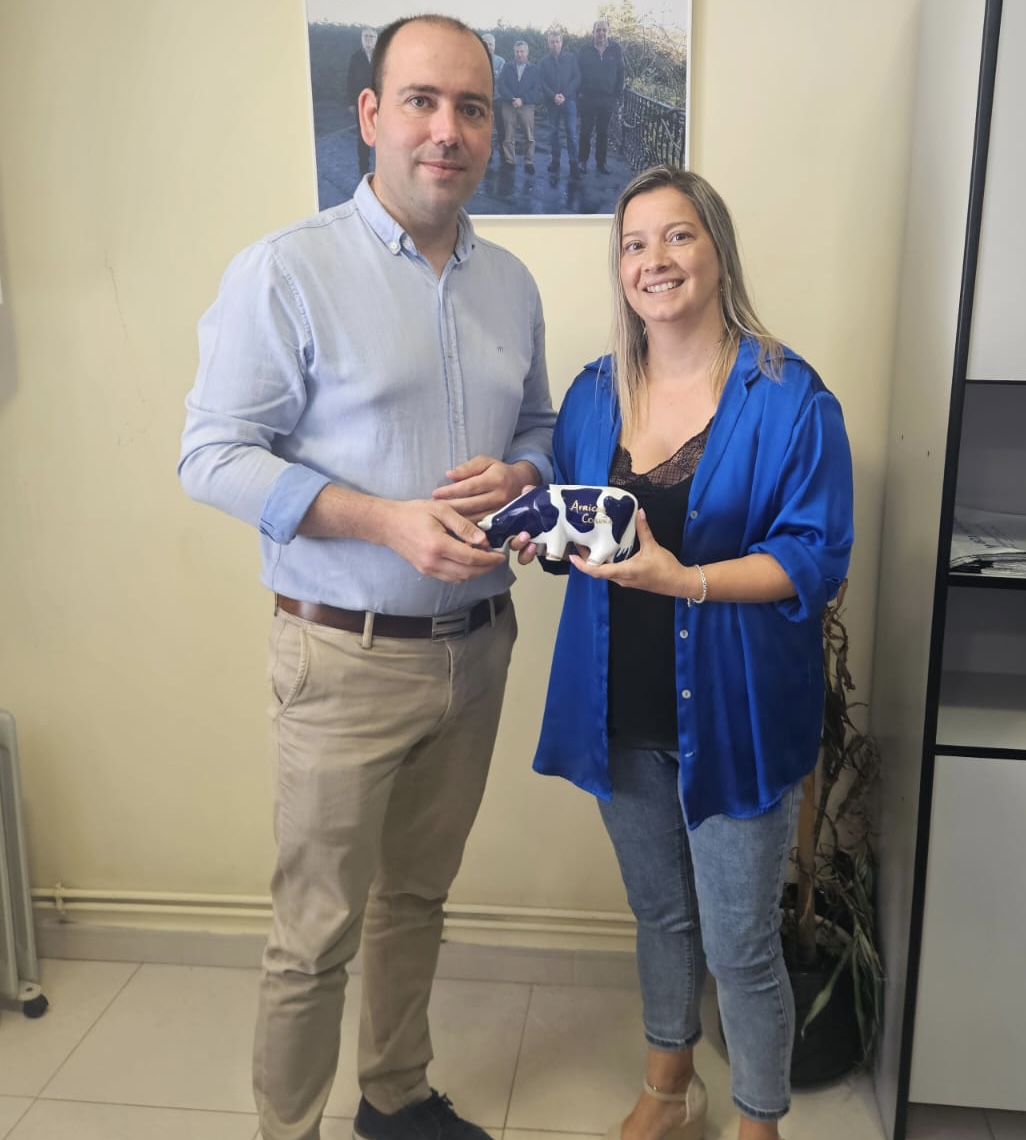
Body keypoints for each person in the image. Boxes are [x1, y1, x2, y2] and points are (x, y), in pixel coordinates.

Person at [179, 15, 555, 1140]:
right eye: (423, 102)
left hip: (477, 652)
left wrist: (524, 472)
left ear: (491, 127)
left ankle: (394, 1098)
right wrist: (384, 522)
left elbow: (540, 425)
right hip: (343, 656)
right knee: (314, 934)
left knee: (417, 899)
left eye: (471, 108)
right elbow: (211, 456)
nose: (448, 130)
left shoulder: (512, 283)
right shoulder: (287, 270)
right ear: (371, 115)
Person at [519, 167, 853, 1140]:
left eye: (677, 236)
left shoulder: (787, 396)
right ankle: (670, 1089)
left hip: (735, 716)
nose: (653, 260)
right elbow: (581, 532)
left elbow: (813, 556)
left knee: (740, 946)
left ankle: (758, 1123)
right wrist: (540, 532)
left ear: (716, 252)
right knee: (659, 916)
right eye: (633, 243)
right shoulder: (593, 395)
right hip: (617, 711)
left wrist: (688, 580)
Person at [577, 19, 624, 174]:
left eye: (604, 30)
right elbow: (577, 72)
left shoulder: (616, 49)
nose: (601, 33)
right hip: (588, 98)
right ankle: (582, 161)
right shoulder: (585, 49)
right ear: (593, 32)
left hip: (607, 99)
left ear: (608, 32)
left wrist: (617, 96)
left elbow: (620, 73)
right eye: (598, 30)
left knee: (603, 132)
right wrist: (579, 94)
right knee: (585, 131)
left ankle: (601, 163)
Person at [538, 30, 582, 179]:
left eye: (557, 41)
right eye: (552, 42)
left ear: (561, 43)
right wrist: (553, 96)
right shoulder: (543, 62)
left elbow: (577, 77)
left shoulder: (571, 58)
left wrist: (564, 94)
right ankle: (555, 161)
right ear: (548, 43)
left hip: (569, 101)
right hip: (552, 103)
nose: (555, 44)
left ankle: (574, 164)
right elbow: (541, 81)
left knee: (571, 134)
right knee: (554, 133)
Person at [497, 41, 541, 172]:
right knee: (508, 135)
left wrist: (523, 100)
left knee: (529, 135)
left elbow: (537, 89)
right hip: (509, 104)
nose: (519, 54)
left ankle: (529, 161)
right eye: (517, 51)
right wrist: (511, 98)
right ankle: (510, 160)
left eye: (522, 51)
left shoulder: (534, 69)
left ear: (527, 52)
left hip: (526, 106)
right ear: (514, 52)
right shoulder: (507, 67)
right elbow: (501, 85)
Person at [345, 26, 378, 178]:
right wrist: (351, 103)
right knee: (363, 136)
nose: (368, 39)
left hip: (380, 102)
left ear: (376, 39)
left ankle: (382, 169)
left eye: (371, 37)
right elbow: (350, 80)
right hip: (361, 103)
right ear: (362, 39)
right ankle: (363, 170)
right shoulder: (355, 58)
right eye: (366, 37)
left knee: (383, 135)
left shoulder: (381, 57)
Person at [481, 32, 506, 158]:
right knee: (484, 127)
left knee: (501, 127)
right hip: (482, 100)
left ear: (495, 46)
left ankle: (503, 150)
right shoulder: (475, 60)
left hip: (498, 100)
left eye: (491, 44)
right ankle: (487, 152)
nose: (489, 46)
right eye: (486, 44)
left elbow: (503, 81)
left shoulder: (501, 61)